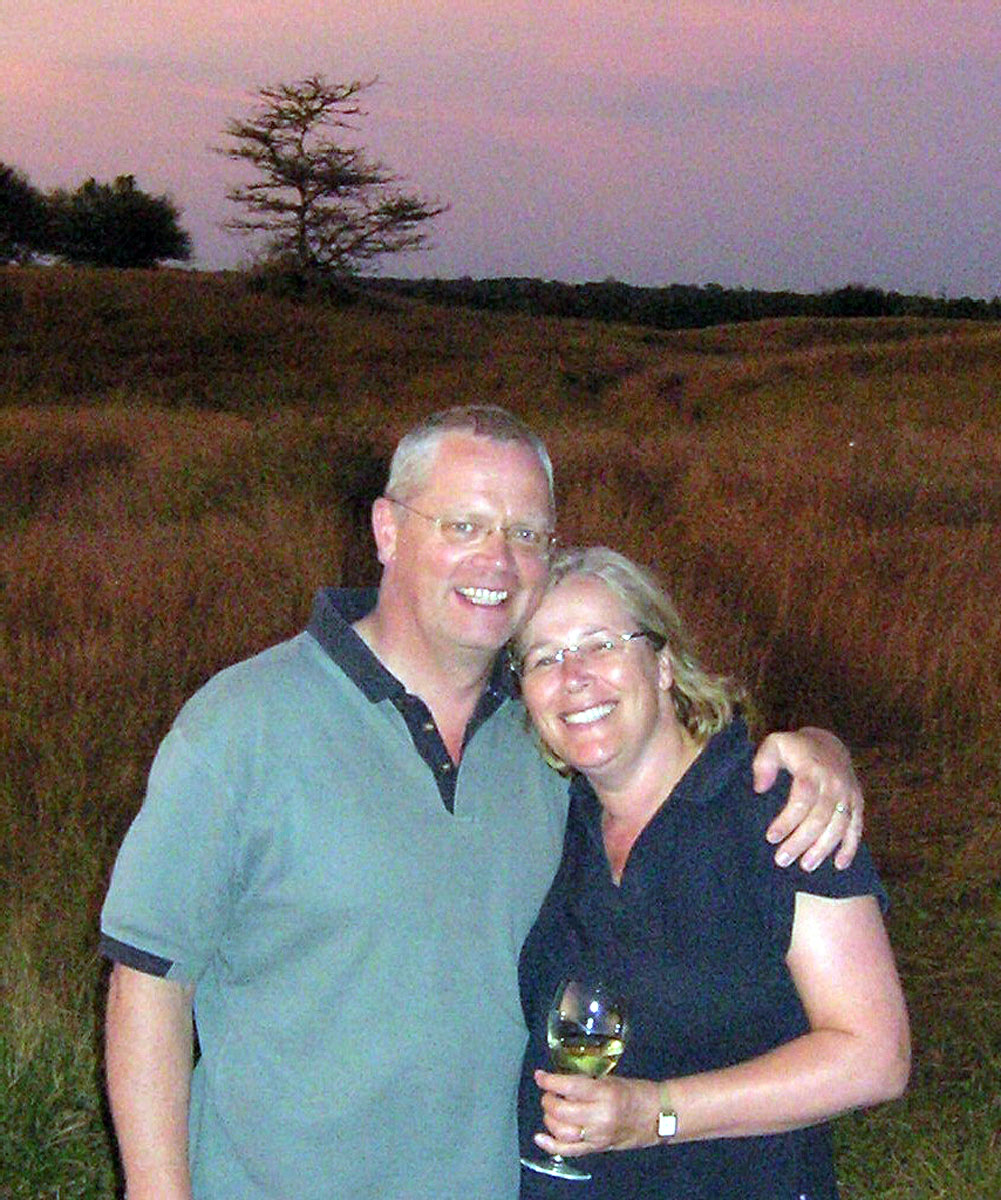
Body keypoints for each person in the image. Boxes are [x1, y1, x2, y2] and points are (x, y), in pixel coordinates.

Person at [100, 406, 865, 1200]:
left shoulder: (549, 739)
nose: (496, 560)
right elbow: (149, 981)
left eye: (525, 533)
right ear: (388, 530)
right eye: (462, 525)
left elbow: (677, 768)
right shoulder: (242, 725)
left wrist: (819, 751)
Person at [514, 547, 910, 1200]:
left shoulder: (776, 809)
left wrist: (657, 1113)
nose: (574, 677)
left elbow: (873, 1057)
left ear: (663, 665)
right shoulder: (553, 817)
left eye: (600, 644)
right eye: (543, 658)